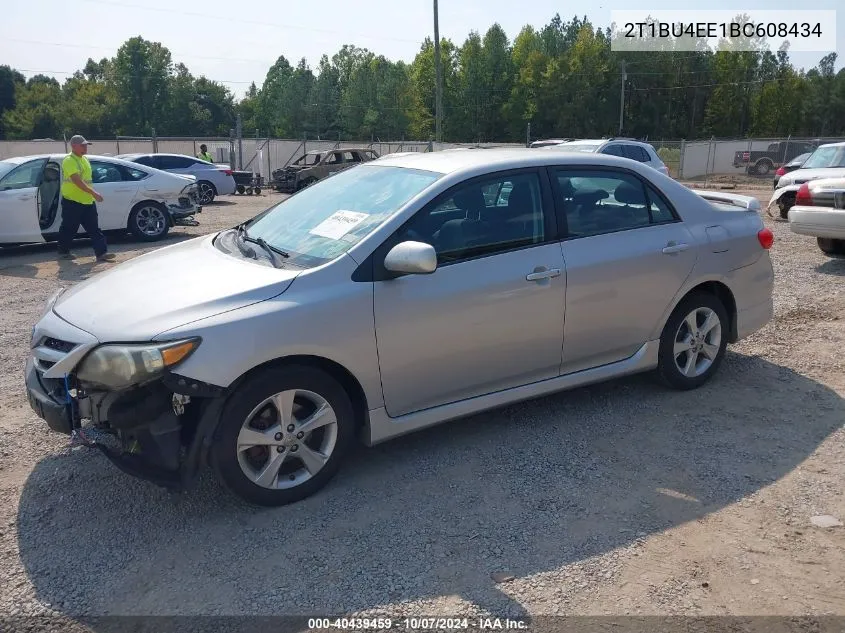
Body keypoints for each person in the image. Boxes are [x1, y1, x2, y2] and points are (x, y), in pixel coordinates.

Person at [57, 135, 115, 262]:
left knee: (94, 228)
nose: (85, 147)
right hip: (72, 201)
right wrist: (94, 193)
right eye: (82, 145)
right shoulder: (69, 160)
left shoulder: (84, 159)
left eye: (86, 145)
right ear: (74, 146)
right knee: (69, 228)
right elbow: (77, 181)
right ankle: (63, 251)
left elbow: (87, 180)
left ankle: (102, 253)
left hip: (87, 200)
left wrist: (91, 194)